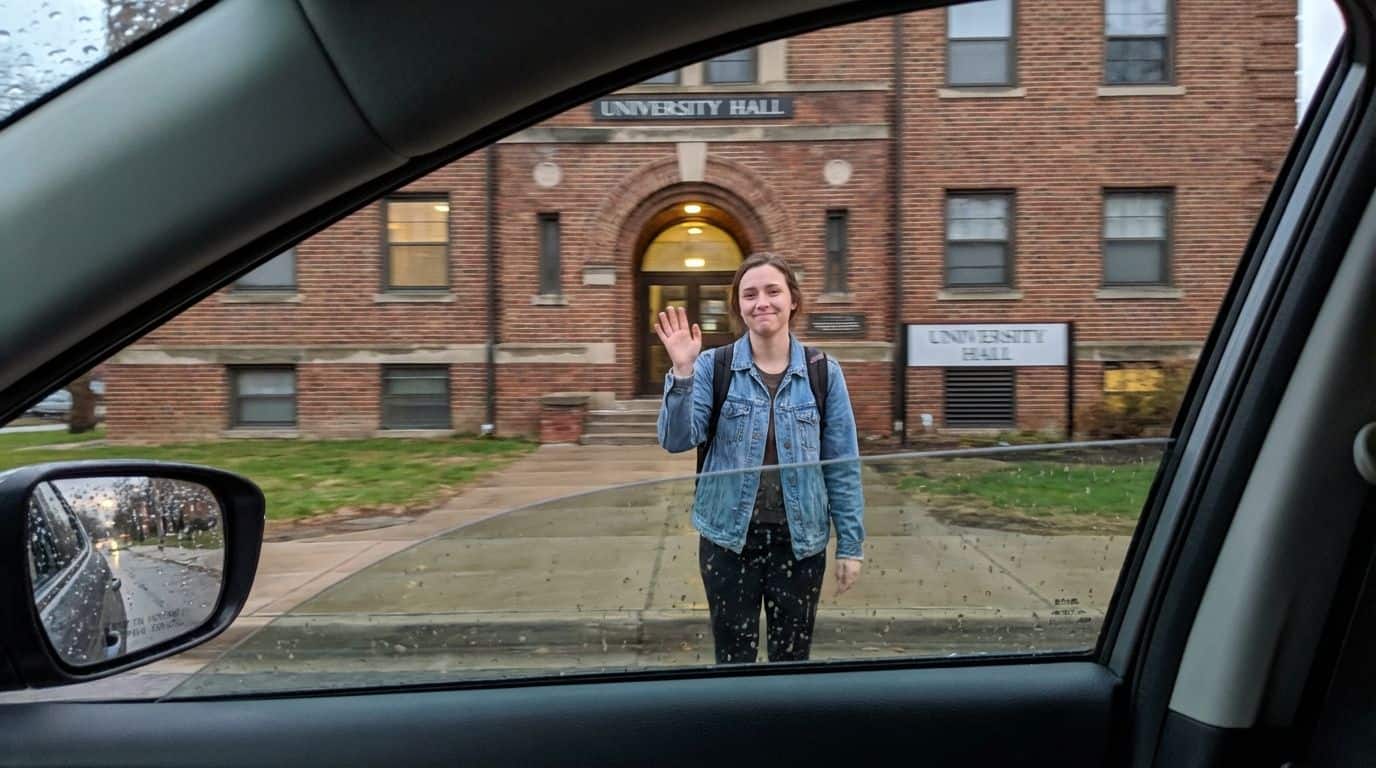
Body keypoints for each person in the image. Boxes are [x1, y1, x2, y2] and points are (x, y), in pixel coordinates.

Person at [655, 251, 864, 664]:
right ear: (738, 306)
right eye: (749, 294)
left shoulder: (824, 372)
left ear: (793, 300)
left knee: (792, 659)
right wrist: (682, 372)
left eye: (773, 291)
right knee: (733, 660)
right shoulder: (713, 367)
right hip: (728, 542)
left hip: (799, 546)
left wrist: (851, 546)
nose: (761, 302)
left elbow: (841, 466)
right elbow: (677, 439)